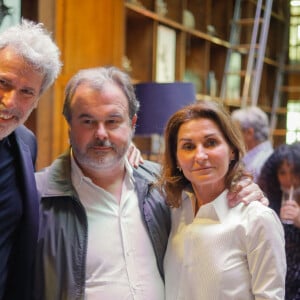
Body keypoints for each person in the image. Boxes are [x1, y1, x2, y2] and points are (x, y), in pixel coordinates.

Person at [34, 66, 267, 300]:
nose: (101, 133)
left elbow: (212, 193)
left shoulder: (163, 186)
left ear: (132, 124)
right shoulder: (37, 196)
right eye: (88, 121)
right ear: (69, 125)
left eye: (113, 121)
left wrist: (239, 187)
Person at [160, 100, 286, 299]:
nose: (200, 155)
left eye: (211, 143)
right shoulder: (173, 212)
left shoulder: (257, 219)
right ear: (176, 159)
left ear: (232, 150)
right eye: (188, 146)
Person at [0, 19, 62, 300]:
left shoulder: (25, 144)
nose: (11, 102)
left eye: (27, 92)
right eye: (3, 83)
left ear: (38, 100)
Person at [258, 142, 300, 300]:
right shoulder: (270, 202)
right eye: (282, 173)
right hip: (279, 280)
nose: (290, 179)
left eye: (295, 172)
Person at [231, 106, 274, 182]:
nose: (232, 136)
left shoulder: (259, 165)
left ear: (249, 133)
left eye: (235, 131)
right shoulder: (260, 157)